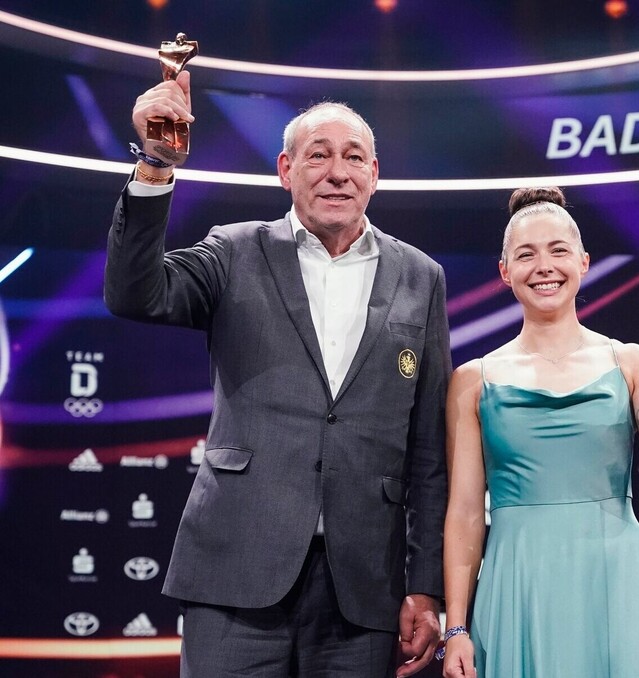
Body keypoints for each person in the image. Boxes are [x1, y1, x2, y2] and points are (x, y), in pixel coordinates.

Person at [104, 68, 451, 678]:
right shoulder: (234, 250)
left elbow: (428, 451)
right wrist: (155, 166)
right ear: (285, 170)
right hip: (235, 570)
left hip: (363, 586)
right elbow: (136, 293)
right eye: (318, 155)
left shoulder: (421, 277)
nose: (337, 172)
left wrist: (425, 587)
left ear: (374, 174)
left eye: (353, 157)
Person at [440, 187, 639, 678]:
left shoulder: (631, 363)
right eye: (526, 255)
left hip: (615, 582)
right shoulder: (473, 380)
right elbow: (465, 513)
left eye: (558, 251)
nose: (544, 267)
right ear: (504, 271)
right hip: (517, 585)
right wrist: (456, 628)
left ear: (583, 262)